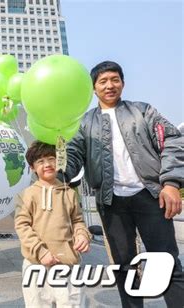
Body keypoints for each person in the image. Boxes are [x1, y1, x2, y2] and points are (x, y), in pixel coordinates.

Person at [64, 61, 184, 308]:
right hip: (111, 202)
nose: (109, 85)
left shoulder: (143, 111)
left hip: (150, 196)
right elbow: (72, 154)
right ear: (94, 88)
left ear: (122, 83)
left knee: (166, 262)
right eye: (103, 81)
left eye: (114, 79)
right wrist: (59, 172)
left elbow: (172, 140)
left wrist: (171, 183)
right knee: (123, 266)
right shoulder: (84, 123)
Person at [14, 141, 90, 307]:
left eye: (51, 159)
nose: (47, 164)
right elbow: (22, 226)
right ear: (32, 167)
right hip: (36, 266)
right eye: (40, 161)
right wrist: (41, 252)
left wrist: (82, 235)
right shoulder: (26, 195)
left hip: (68, 265)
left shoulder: (69, 193)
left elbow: (78, 221)